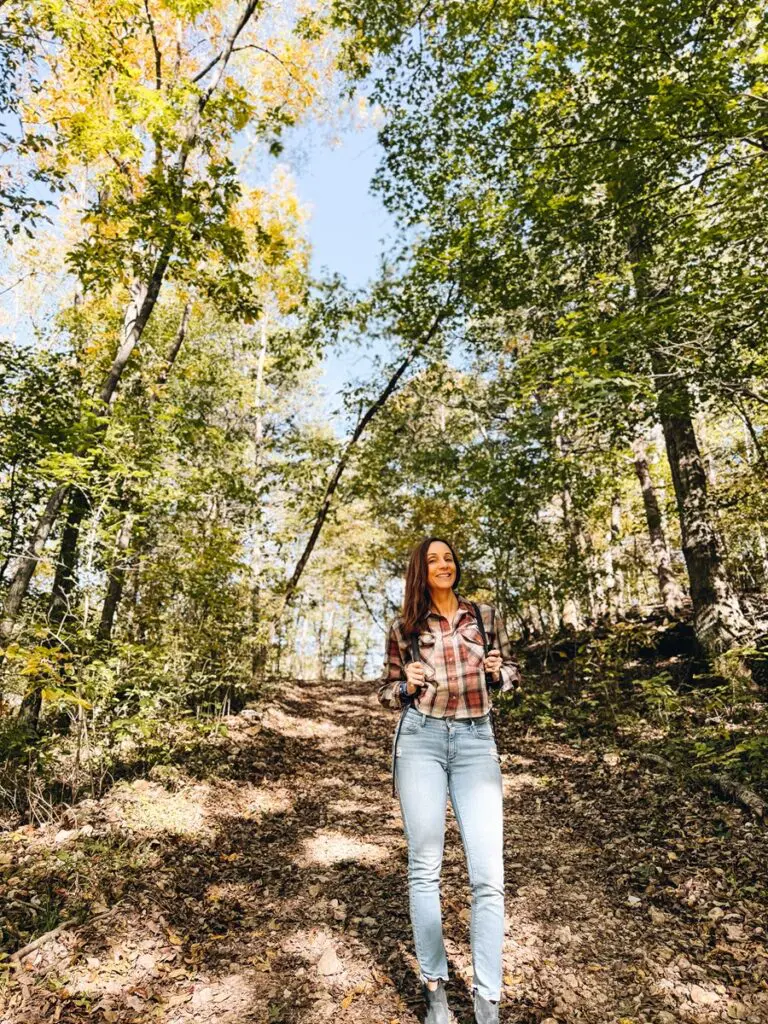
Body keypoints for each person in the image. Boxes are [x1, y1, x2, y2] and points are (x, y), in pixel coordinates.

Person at [378, 536, 522, 1024]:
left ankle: (487, 1000)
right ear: (421, 570)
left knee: (488, 875)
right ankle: (435, 990)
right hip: (420, 740)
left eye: (449, 558)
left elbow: (512, 676)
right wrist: (405, 685)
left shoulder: (483, 616)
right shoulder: (404, 627)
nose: (444, 565)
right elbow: (385, 692)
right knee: (425, 867)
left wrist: (502, 674)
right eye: (433, 560)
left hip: (477, 740)